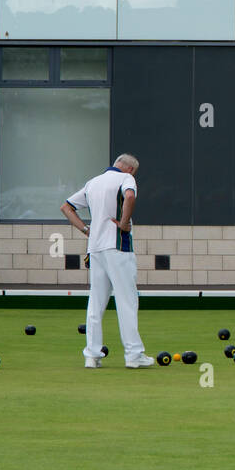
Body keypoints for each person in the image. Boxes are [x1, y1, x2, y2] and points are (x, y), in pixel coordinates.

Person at [60, 154, 153, 369]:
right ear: (130, 169)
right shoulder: (126, 179)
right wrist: (124, 223)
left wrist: (85, 230)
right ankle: (133, 355)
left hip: (96, 248)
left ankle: (91, 356)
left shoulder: (93, 182)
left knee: (96, 302)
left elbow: (66, 207)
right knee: (127, 300)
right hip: (118, 247)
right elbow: (129, 197)